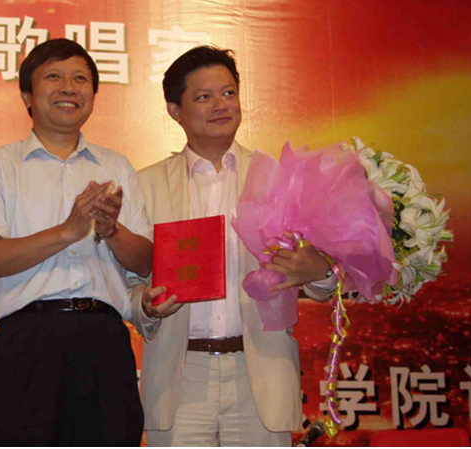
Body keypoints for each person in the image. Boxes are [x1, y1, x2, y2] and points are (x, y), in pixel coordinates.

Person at [128, 46, 337, 446]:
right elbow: (127, 283)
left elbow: (322, 282)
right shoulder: (145, 185)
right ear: (175, 110)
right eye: (203, 97)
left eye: (228, 93)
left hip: (260, 371)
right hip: (179, 375)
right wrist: (145, 305)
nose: (221, 105)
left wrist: (321, 272)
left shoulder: (278, 178)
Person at [0, 38, 152, 446]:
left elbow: (146, 262)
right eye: (53, 77)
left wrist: (111, 230)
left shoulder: (117, 166)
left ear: (93, 95)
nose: (69, 88)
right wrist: (68, 230)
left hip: (104, 341)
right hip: (26, 341)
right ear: (27, 96)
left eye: (80, 79)